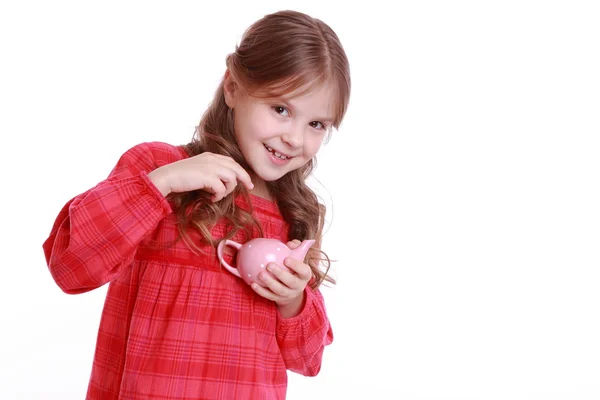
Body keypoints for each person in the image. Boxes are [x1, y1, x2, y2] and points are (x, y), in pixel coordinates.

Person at [43, 9, 351, 400]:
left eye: (317, 124)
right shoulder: (156, 169)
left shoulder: (294, 216)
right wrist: (162, 184)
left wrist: (293, 300)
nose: (294, 138)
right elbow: (71, 266)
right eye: (281, 109)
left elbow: (309, 360)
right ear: (233, 87)